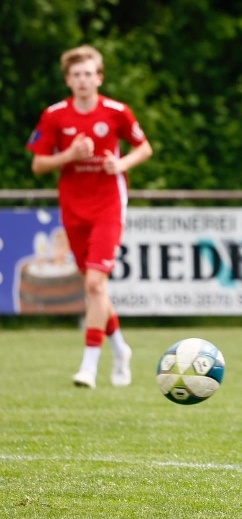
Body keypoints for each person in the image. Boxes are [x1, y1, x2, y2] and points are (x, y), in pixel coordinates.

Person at [27, 45, 153, 389]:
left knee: (95, 285)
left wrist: (121, 164)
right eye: (76, 75)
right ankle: (121, 349)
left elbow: (144, 147)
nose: (83, 80)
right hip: (73, 207)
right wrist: (68, 155)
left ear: (99, 78)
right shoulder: (54, 115)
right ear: (68, 80)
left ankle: (89, 366)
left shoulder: (117, 112)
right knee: (94, 287)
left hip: (108, 204)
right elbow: (38, 164)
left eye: (88, 74)